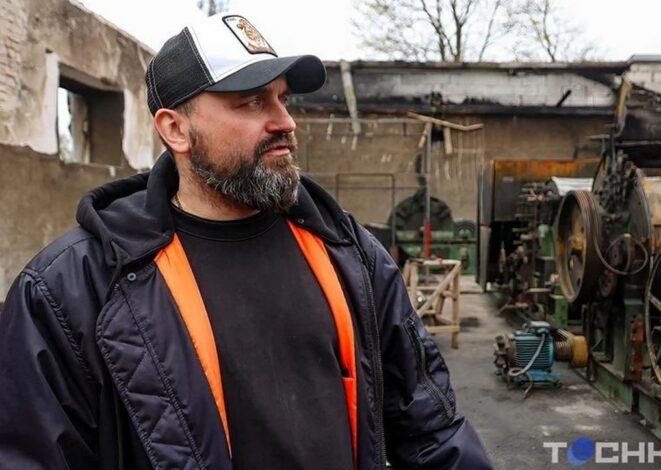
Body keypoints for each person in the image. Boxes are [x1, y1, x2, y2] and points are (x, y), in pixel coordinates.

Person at [0, 11, 492, 470]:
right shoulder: (72, 290)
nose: (285, 122)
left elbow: (432, 432)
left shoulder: (350, 254)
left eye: (283, 98)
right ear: (176, 129)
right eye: (253, 101)